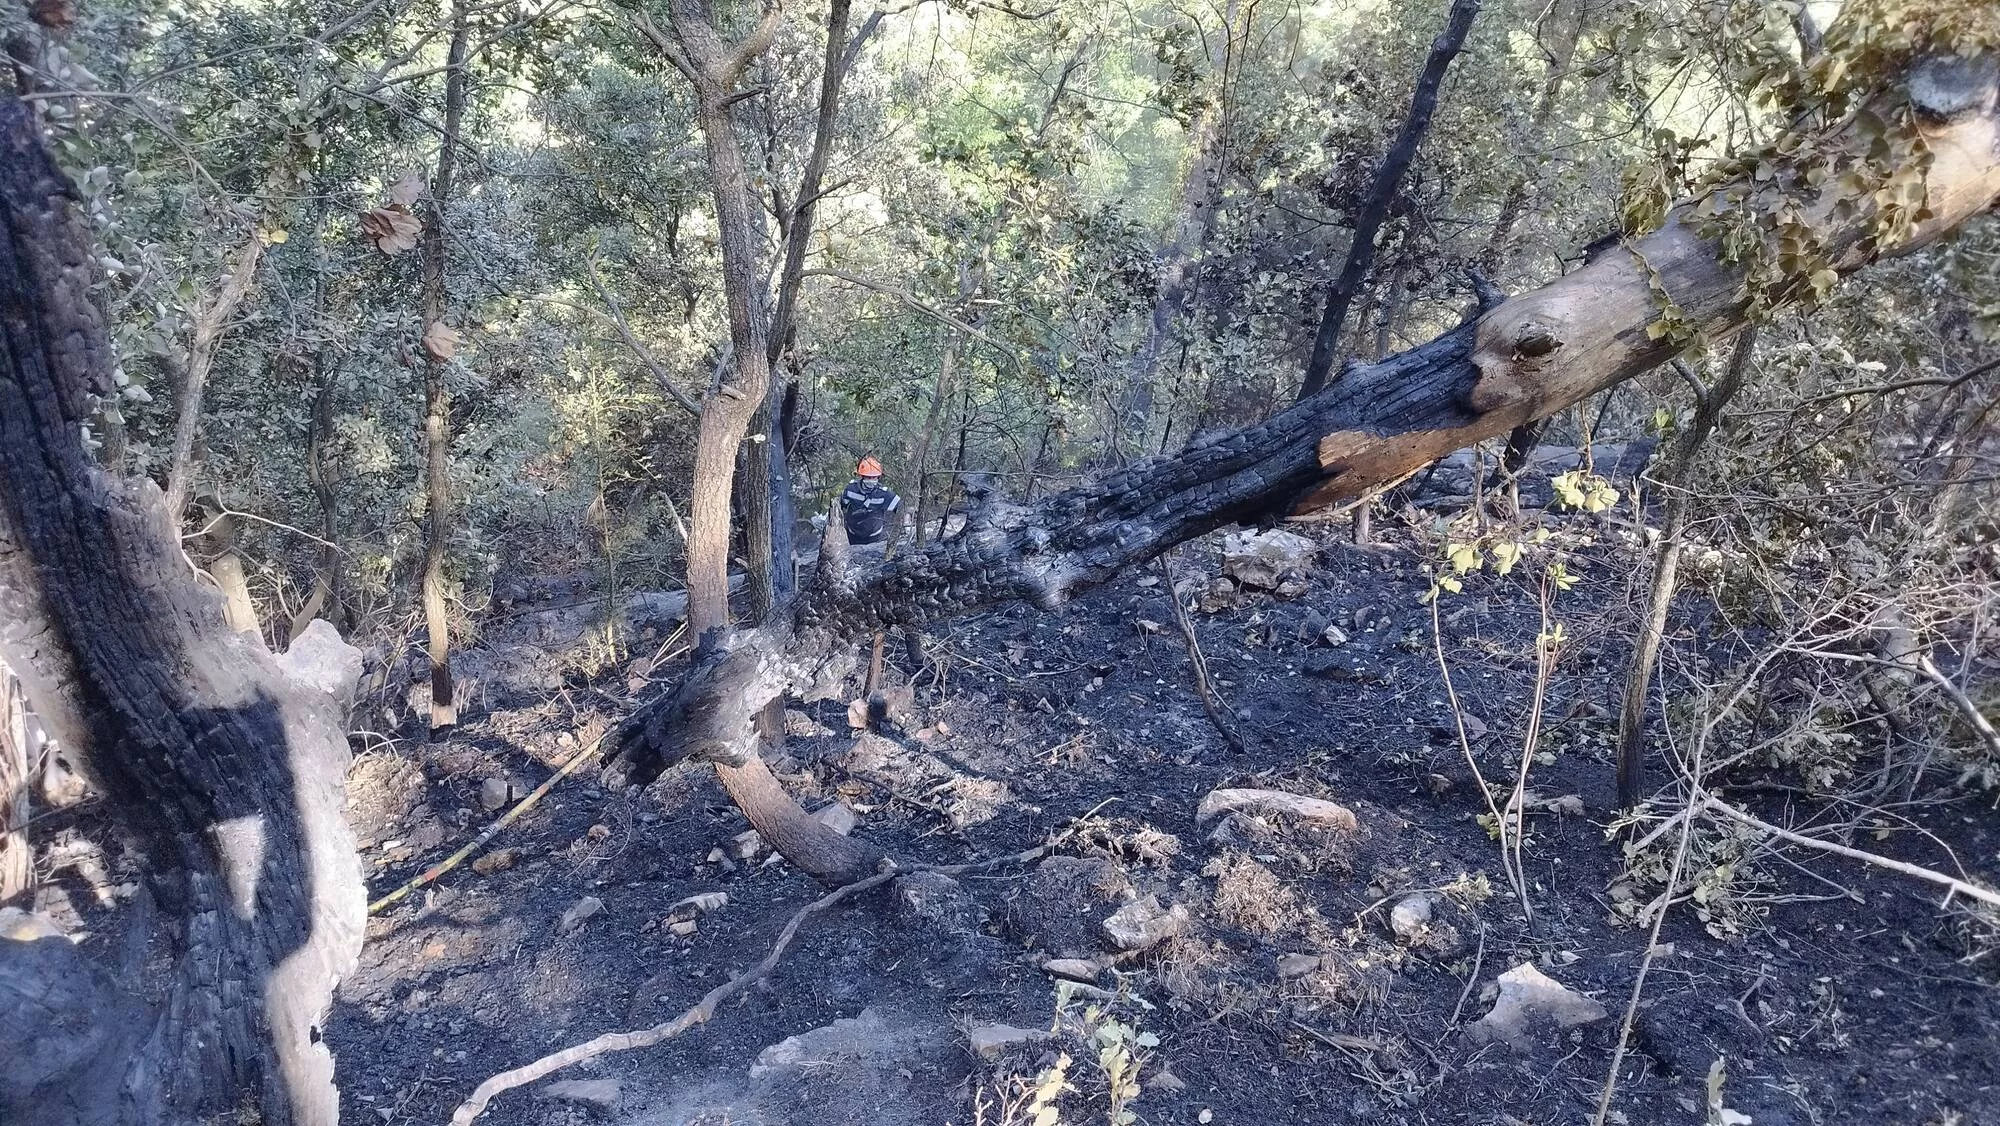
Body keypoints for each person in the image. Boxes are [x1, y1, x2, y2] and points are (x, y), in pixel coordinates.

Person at [840, 455, 902, 545]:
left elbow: (901, 507)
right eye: (869, 477)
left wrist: (905, 524)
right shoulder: (851, 489)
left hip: (874, 537)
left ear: (878, 477)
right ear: (862, 476)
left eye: (874, 477)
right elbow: (840, 506)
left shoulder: (884, 494)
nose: (871, 480)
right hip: (852, 535)